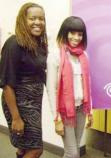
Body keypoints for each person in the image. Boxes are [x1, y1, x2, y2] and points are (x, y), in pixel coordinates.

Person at [0, 2, 47, 158]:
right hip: (18, 104)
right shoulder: (13, 44)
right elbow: (6, 84)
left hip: (34, 103)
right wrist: (16, 117)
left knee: (23, 147)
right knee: (35, 149)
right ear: (23, 20)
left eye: (41, 19)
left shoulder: (39, 44)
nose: (38, 22)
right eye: (32, 18)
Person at [46, 16, 93, 158]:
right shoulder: (55, 55)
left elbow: (87, 84)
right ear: (65, 32)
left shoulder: (84, 56)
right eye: (72, 33)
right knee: (72, 153)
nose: (76, 37)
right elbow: (51, 89)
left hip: (81, 110)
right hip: (65, 112)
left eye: (80, 34)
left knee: (74, 149)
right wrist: (57, 119)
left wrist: (90, 111)